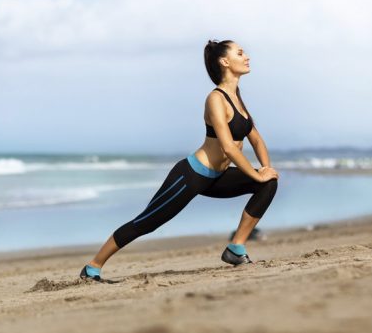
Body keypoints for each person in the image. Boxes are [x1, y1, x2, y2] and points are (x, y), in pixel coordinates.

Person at [80, 40, 280, 282]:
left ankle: (235, 248)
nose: (247, 56)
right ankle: (93, 266)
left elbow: (256, 139)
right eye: (240, 53)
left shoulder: (236, 96)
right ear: (225, 62)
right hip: (192, 176)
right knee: (146, 222)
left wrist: (266, 169)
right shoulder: (216, 99)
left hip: (217, 177)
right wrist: (256, 173)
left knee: (268, 184)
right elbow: (228, 147)